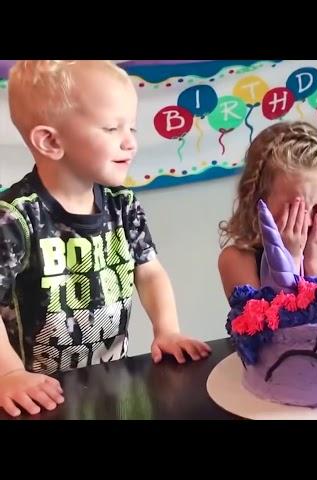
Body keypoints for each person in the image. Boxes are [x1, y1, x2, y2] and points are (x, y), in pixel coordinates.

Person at [0, 60, 210, 417]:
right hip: (38, 399)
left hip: (112, 387)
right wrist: (9, 374)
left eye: (132, 127)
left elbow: (150, 271)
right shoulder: (15, 217)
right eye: (112, 128)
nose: (130, 142)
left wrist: (167, 330)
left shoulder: (122, 204)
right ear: (50, 140)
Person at [218, 120, 317, 299]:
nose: (306, 222)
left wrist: (315, 262)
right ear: (257, 200)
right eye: (294, 208)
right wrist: (290, 258)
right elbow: (275, 323)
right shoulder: (237, 260)